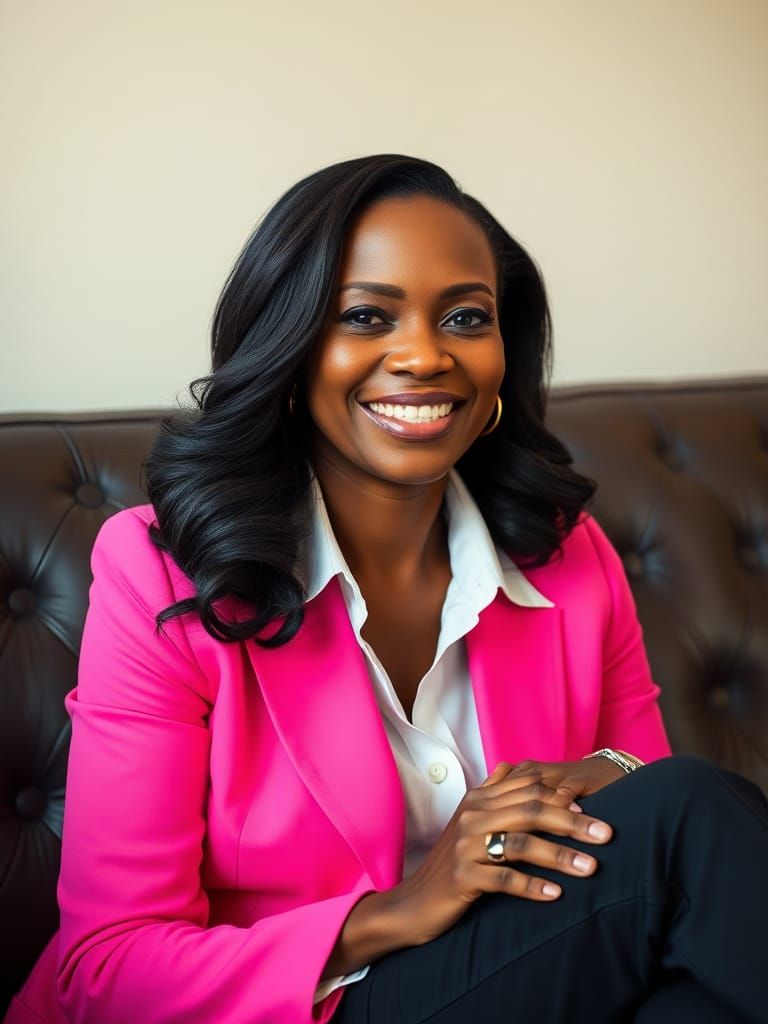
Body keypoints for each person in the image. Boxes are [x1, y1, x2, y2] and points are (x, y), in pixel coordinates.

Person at [6, 155, 768, 1024]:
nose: (423, 354)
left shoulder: (569, 555)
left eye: (466, 317)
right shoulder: (159, 572)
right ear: (290, 351)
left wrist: (610, 775)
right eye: (366, 316)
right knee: (694, 817)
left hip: (532, 984)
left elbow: (635, 795)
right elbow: (108, 971)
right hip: (299, 1010)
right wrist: (399, 909)